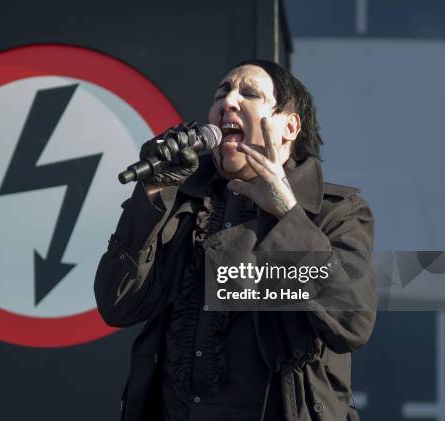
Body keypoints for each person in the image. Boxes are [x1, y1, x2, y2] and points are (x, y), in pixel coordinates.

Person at [94, 59, 376, 421]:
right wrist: (153, 191)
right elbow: (118, 303)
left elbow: (352, 320)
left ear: (289, 126)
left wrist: (287, 212)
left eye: (250, 94)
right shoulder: (184, 202)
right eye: (221, 94)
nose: (228, 102)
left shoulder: (336, 213)